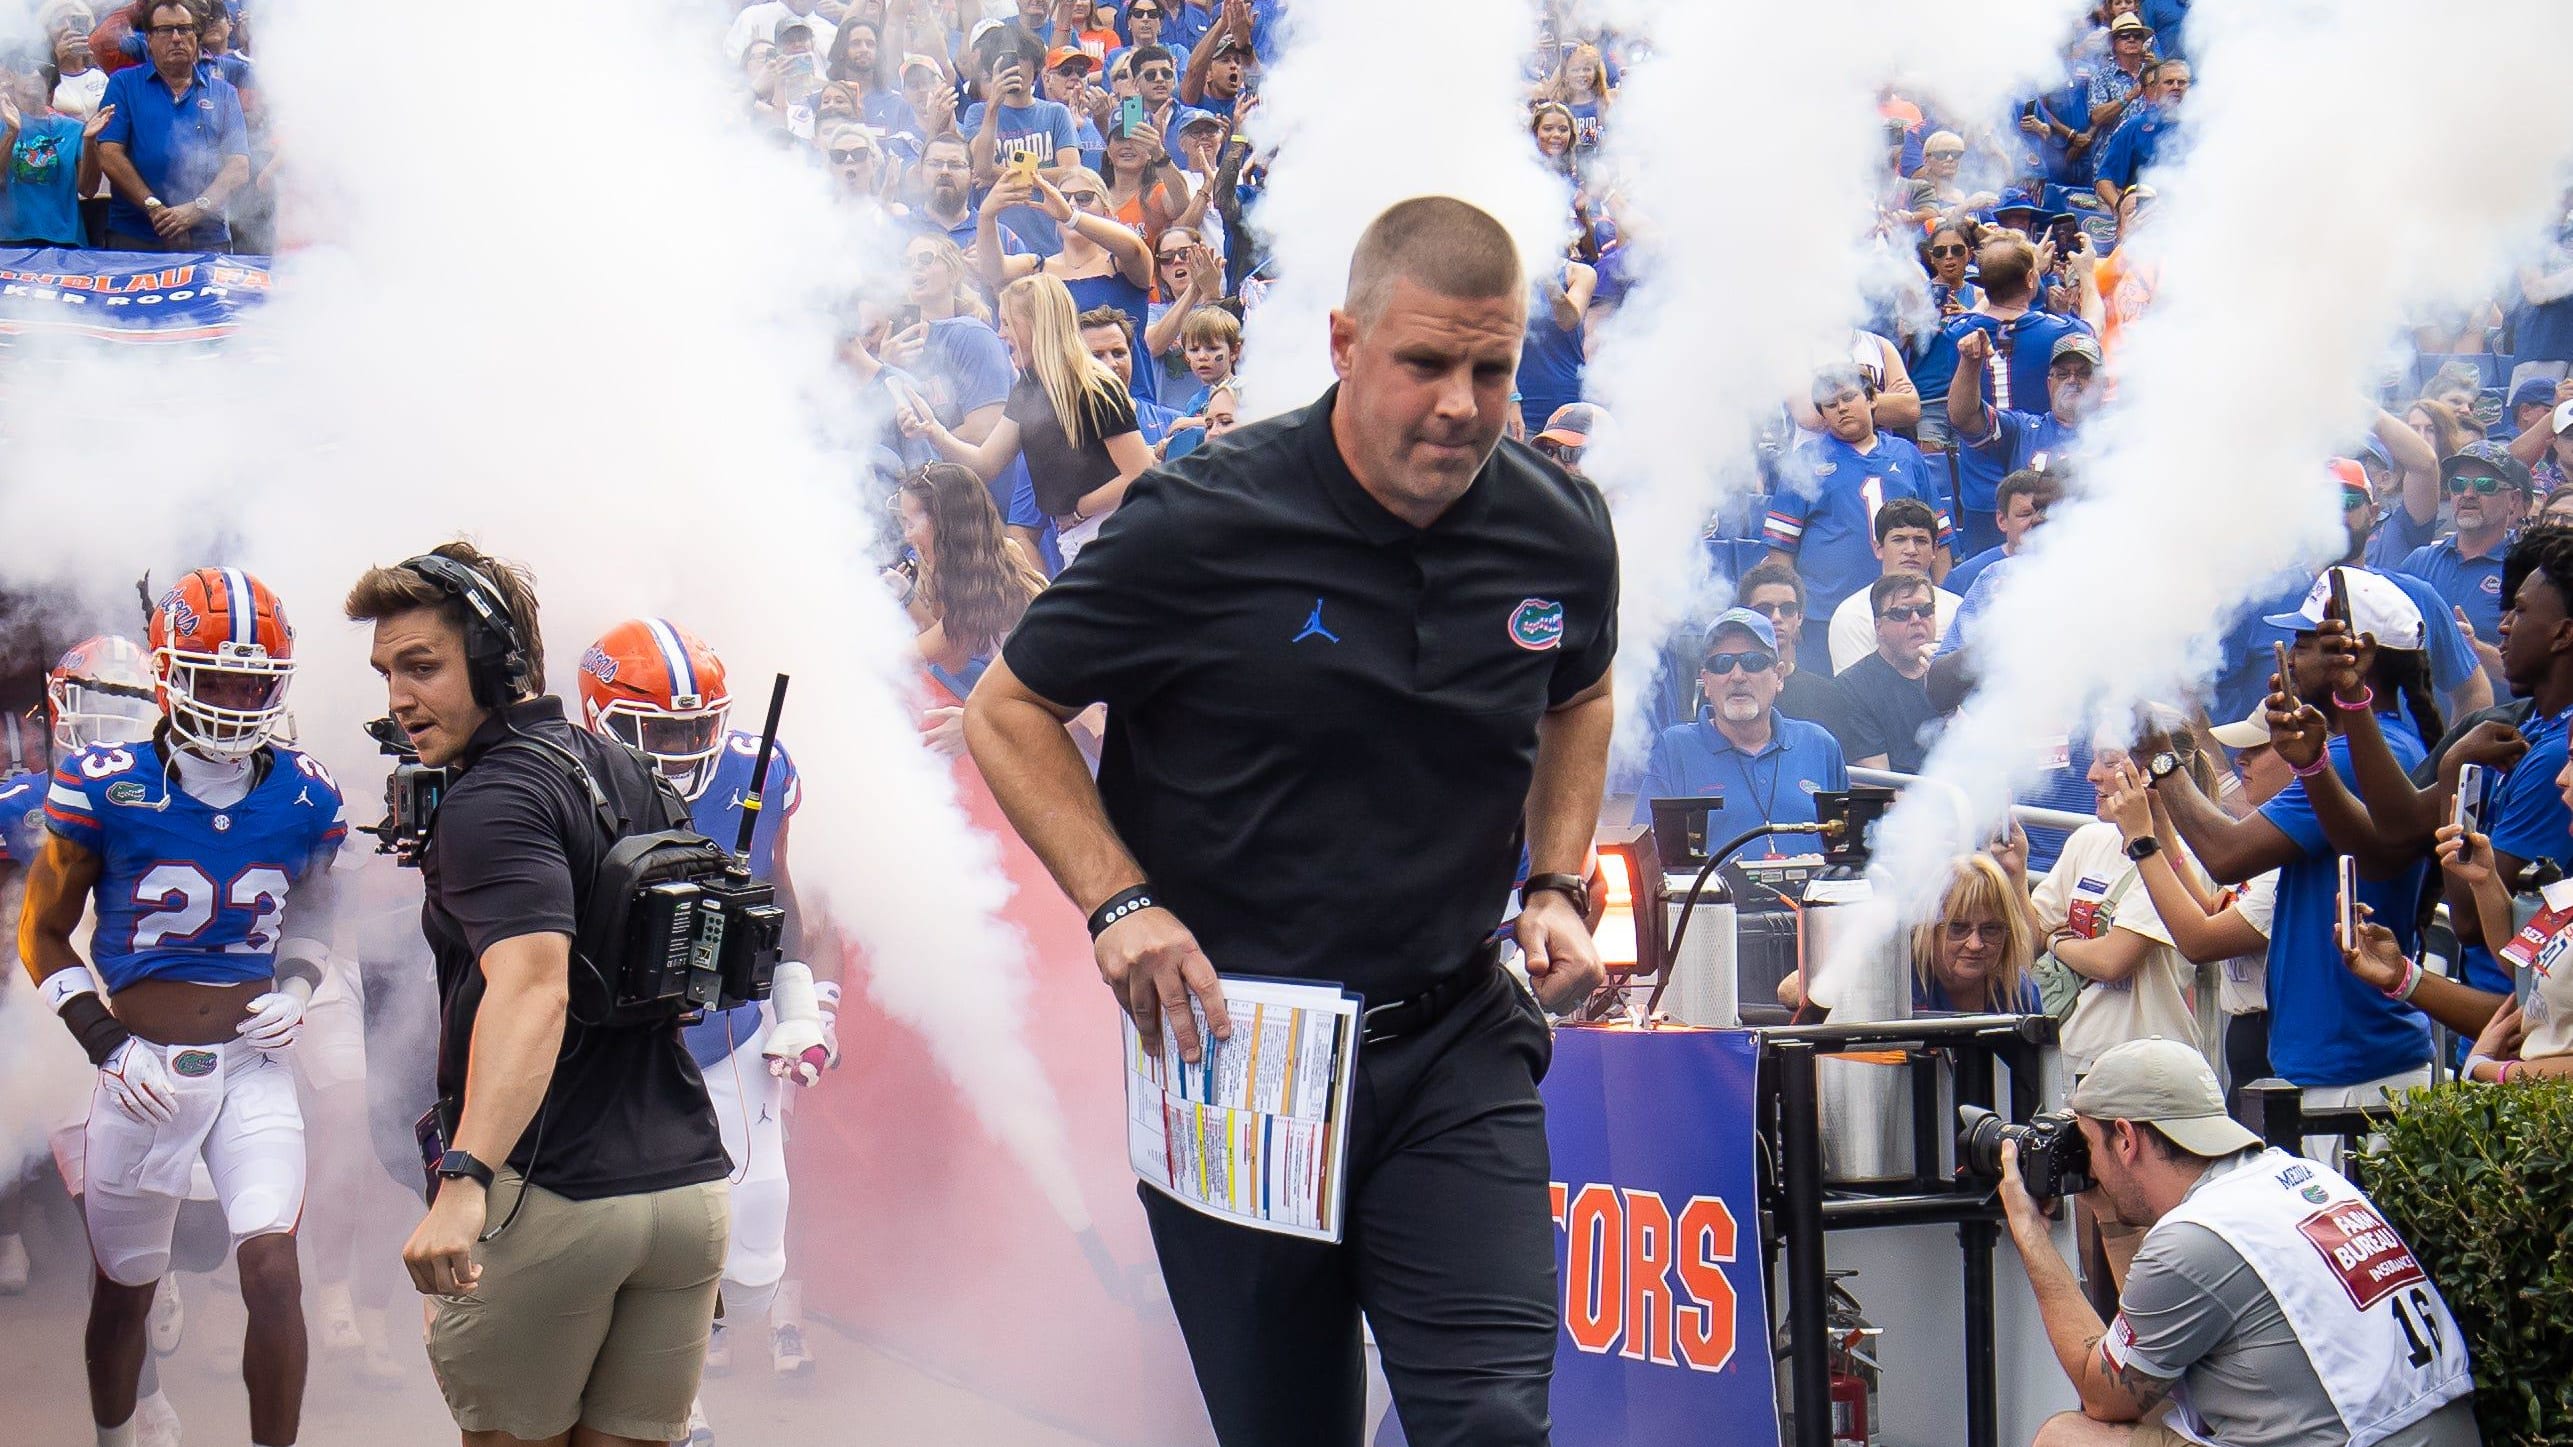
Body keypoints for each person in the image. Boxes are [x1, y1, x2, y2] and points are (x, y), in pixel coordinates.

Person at [965, 196, 1615, 1446]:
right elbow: (1008, 710)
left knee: (1490, 1424)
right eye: (1424, 362)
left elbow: (1579, 690)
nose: (1459, 405)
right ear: (1342, 342)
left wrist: (1556, 881)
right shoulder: (1203, 518)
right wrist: (1121, 902)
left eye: (1492, 367)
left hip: (1451, 1035)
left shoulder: (1558, 527)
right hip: (1233, 1051)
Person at [344, 544, 732, 1447]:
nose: (397, 698)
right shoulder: (626, 765)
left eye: (423, 665)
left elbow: (533, 991)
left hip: (551, 1198)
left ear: (496, 661)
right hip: (686, 1196)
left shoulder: (489, 799)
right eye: (387, 672)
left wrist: (464, 1178)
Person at [19, 568, 345, 1447]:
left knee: (273, 1269)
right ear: (167, 674)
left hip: (253, 1067)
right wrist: (104, 1043)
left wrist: (299, 985)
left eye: (254, 680)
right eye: (217, 676)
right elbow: (42, 933)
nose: (239, 700)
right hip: (139, 1069)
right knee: (126, 1287)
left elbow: (315, 911)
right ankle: (117, 1436)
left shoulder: (308, 793)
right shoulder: (103, 780)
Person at [577, 618, 836, 1440]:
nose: (683, 747)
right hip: (615, 1044)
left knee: (756, 1258)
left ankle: (666, 1354)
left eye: (696, 726)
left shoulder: (761, 769)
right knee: (637, 1231)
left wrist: (801, 1005)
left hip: (728, 1032)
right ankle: (669, 1396)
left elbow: (778, 894)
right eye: (659, 729)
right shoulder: (562, 784)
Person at [2000, 1037, 2478, 1447]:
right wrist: (2112, 1217)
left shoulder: (2192, 1241)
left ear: (2125, 1139)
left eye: (2087, 1143)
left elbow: (2103, 1393)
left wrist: (2031, 1237)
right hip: (2422, 1430)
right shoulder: (2304, 1177)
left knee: (2069, 1437)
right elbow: (2145, 1360)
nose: (2088, 1165)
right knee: (2154, 1401)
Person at [2154, 568, 2442, 1124]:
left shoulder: (2359, 758)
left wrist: (2158, 758)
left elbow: (2226, 852)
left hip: (2356, 1072)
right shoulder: (2372, 749)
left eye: (2307, 644)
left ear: (2357, 656)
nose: (2289, 658)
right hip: (2343, 1063)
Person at [904, 271, 1151, 566]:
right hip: (1078, 540)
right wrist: (935, 432)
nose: (1001, 333)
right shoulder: (1029, 388)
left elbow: (1140, 472)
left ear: (1036, 326)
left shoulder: (1094, 385)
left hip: (1120, 531)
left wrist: (1081, 509)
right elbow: (985, 464)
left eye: (1008, 323)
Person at [1764, 364, 1954, 661]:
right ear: (1823, 414)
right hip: (1823, 615)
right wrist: (1792, 613)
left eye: (1849, 397)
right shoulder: (1804, 462)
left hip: (1903, 615)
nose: (1841, 408)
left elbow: (1939, 538)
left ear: (1872, 399)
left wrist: (1940, 601)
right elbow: (1781, 551)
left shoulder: (1907, 455)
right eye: (1831, 404)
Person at [1630, 607, 1848, 854]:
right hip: (1711, 894)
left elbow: (1848, 849)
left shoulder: (1819, 745)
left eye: (1752, 662)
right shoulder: (1675, 749)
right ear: (1707, 682)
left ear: (1778, 676)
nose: (1737, 676)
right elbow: (1645, 853)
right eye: (1722, 664)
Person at [1779, 853, 2042, 1014]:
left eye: (1991, 929)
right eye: (1958, 928)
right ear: (1929, 928)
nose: (1975, 944)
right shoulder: (1897, 975)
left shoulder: (2018, 992)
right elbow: (1789, 990)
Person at [91, 0, 246, 252]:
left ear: (196, 37)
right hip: (134, 235)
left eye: (184, 29)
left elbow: (239, 165)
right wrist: (155, 208)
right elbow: (109, 154)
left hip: (207, 236)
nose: (176, 38)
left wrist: (195, 210)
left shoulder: (224, 93)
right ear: (149, 40)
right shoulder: (124, 84)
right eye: (165, 30)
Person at [1946, 330, 2099, 555]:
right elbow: (1963, 418)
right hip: (2030, 561)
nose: (2072, 381)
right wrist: (1970, 363)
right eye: (2063, 374)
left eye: (2084, 374)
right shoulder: (2022, 430)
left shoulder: (2123, 433)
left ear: (2102, 384)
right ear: (2049, 384)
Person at [2400, 440, 2533, 675]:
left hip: (2497, 711)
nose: (2469, 494)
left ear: (2513, 499)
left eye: (2485, 485)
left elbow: (2540, 669)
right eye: (2459, 484)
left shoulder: (2531, 570)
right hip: (2423, 710)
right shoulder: (2420, 562)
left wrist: (2472, 648)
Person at [1824, 571, 1942, 772]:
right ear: (1878, 626)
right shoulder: (1852, 688)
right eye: (1901, 613)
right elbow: (1879, 787)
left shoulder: (1954, 673)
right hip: (1908, 800)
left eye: (1925, 610)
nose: (1916, 619)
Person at [1828, 498, 1963, 673]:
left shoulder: (1958, 609)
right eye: (1899, 539)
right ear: (1879, 548)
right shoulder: (1852, 614)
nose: (1911, 550)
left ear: (1934, 550)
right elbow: (1856, 692)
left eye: (1920, 540)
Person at [1, 55, 109, 246]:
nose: (35, 74)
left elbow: (89, 189)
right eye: (26, 67)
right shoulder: (4, 125)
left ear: (51, 80)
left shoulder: (74, 129)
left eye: (44, 70)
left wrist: (90, 141)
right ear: (11, 75)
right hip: (9, 242)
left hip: (65, 242)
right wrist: (12, 132)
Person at [1735, 560, 1845, 726]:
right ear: (1745, 615)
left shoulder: (1827, 696)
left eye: (1787, 609)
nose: (1776, 618)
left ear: (1800, 617)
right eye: (1764, 609)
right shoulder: (1727, 690)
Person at [1945, 469, 2062, 597]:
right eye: (2025, 514)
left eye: (2044, 511)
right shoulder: (1964, 578)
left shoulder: (2073, 569)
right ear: (2002, 520)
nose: (2036, 520)